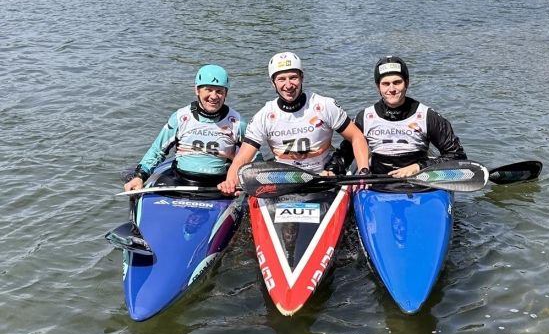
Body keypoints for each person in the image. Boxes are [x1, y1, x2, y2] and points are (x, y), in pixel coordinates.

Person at [217, 52, 370, 195]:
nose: (288, 85)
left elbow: (356, 136)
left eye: (293, 77)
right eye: (281, 79)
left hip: (324, 176)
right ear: (273, 83)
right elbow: (243, 158)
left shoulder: (324, 106)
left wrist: (363, 170)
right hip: (284, 181)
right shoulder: (264, 116)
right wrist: (230, 181)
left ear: (302, 78)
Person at [325, 56, 466, 178]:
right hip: (377, 183)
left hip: (420, 181)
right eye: (385, 84)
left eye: (397, 82)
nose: (391, 89)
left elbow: (457, 156)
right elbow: (345, 153)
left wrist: (419, 166)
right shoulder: (365, 117)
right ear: (377, 87)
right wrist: (331, 170)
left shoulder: (428, 116)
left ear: (407, 83)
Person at [123, 64, 247, 192]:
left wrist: (238, 183)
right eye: (208, 90)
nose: (214, 96)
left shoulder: (237, 122)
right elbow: (157, 150)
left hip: (219, 186)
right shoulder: (180, 118)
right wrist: (140, 176)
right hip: (181, 181)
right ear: (197, 90)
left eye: (219, 91)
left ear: (226, 93)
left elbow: (253, 158)